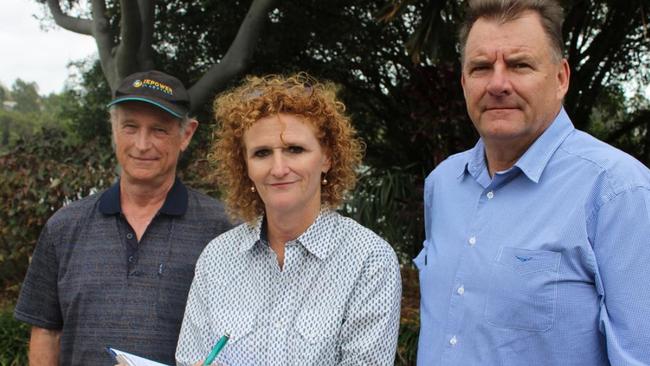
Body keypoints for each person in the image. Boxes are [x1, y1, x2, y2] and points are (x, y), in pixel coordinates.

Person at [417, 0, 650, 364]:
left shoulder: (618, 191)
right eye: (480, 68)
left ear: (561, 78)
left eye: (519, 65)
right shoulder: (443, 185)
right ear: (463, 82)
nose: (497, 84)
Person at [175, 73, 402, 365]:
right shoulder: (217, 259)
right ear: (245, 166)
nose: (279, 168)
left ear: (327, 158)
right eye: (262, 153)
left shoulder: (369, 261)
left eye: (295, 149)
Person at [14, 70, 232, 365]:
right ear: (113, 129)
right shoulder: (63, 226)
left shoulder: (224, 229)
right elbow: (45, 331)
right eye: (130, 127)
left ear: (187, 134)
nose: (142, 144)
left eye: (159, 130)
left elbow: (239, 335)